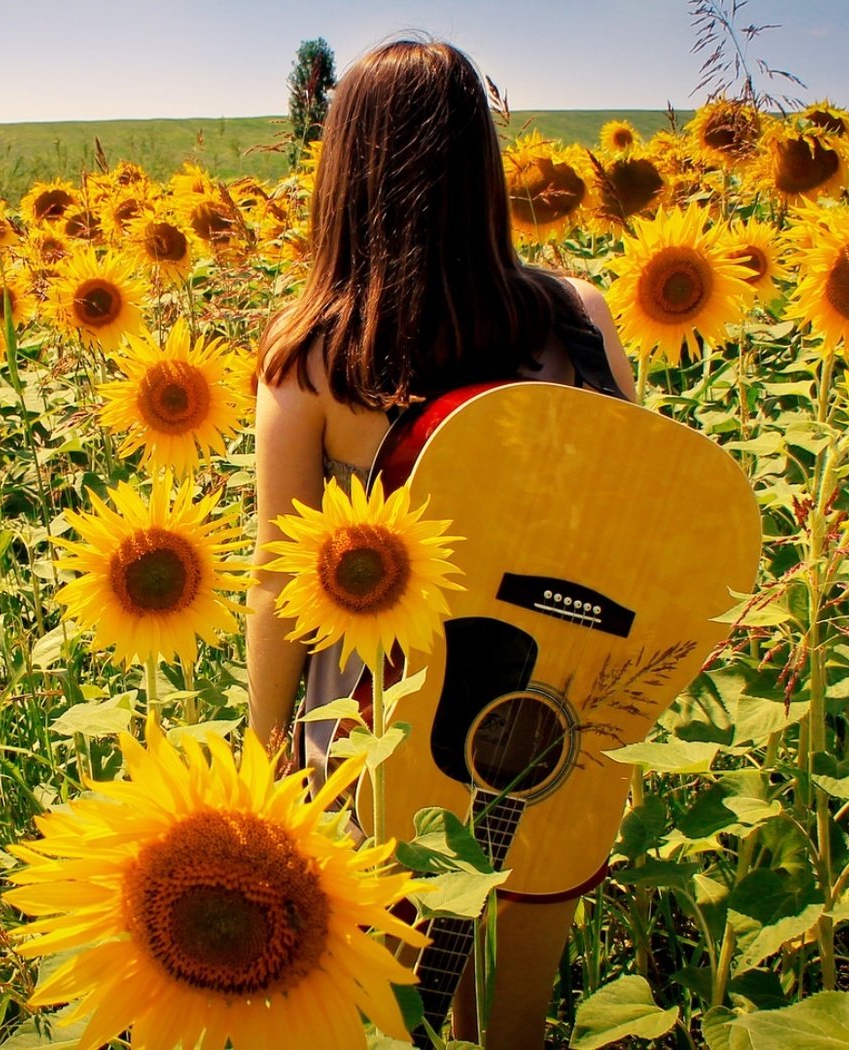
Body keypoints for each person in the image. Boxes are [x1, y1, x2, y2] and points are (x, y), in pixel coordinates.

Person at [245, 37, 639, 1050]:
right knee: (510, 1018)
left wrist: (264, 746)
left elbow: (277, 578)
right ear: (483, 163)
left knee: (388, 1014)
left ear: (344, 171)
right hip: (558, 718)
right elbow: (642, 515)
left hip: (381, 731)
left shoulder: (314, 355)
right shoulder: (580, 321)